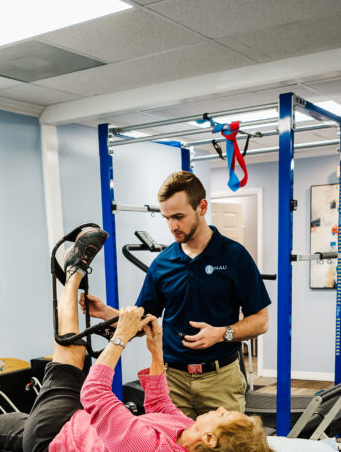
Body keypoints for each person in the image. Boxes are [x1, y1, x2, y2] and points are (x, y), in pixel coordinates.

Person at [0, 226, 276, 452]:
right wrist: (156, 353)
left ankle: (71, 272)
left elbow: (94, 394)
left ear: (211, 440)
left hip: (55, 451)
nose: (218, 411)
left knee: (71, 354)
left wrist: (122, 339)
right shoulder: (186, 436)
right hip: (78, 435)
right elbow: (159, 404)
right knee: (13, 428)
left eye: (222, 416)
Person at [82, 170, 271, 419]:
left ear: (201, 207)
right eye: (167, 218)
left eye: (179, 217)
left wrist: (223, 333)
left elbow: (261, 320)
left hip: (220, 379)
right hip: (172, 380)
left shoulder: (235, 256)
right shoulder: (163, 263)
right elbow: (142, 322)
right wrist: (105, 312)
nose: (172, 226)